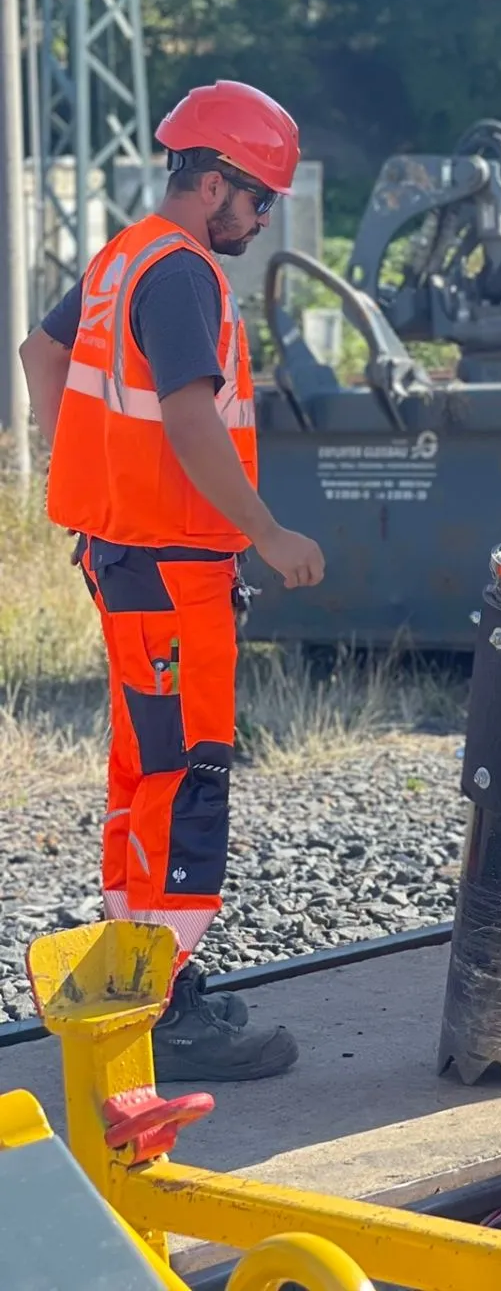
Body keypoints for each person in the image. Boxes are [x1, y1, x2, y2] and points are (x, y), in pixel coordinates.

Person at [19, 80, 326, 1083]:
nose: (263, 218)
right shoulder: (184, 273)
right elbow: (191, 421)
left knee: (140, 774)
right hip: (175, 569)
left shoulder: (121, 259)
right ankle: (168, 1006)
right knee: (186, 777)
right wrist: (268, 532)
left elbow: (42, 353)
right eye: (260, 199)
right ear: (214, 182)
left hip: (125, 561)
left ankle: (130, 973)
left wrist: (91, 490)